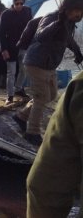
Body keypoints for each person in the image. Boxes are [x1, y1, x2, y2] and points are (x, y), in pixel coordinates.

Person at [12, 0, 83, 146]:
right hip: (36, 62)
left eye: (81, 11)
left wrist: (77, 51)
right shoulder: (52, 17)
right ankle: (32, 132)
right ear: (68, 8)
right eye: (76, 9)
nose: (79, 13)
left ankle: (21, 116)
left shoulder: (69, 23)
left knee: (51, 96)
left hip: (49, 64)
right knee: (41, 97)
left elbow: (68, 39)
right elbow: (41, 35)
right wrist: (58, 22)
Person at [26, 70, 83, 217]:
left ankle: (27, 124)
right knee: (43, 96)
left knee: (46, 96)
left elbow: (45, 187)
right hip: (40, 65)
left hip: (44, 67)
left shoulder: (79, 86)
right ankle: (30, 129)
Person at [0, 0, 33, 104]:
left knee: (24, 70)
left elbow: (31, 28)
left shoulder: (28, 11)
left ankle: (18, 88)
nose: (18, 5)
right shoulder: (6, 14)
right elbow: (1, 33)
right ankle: (10, 96)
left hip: (24, 46)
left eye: (21, 3)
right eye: (16, 3)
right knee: (11, 72)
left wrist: (32, 44)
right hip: (10, 48)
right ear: (13, 3)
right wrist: (3, 49)